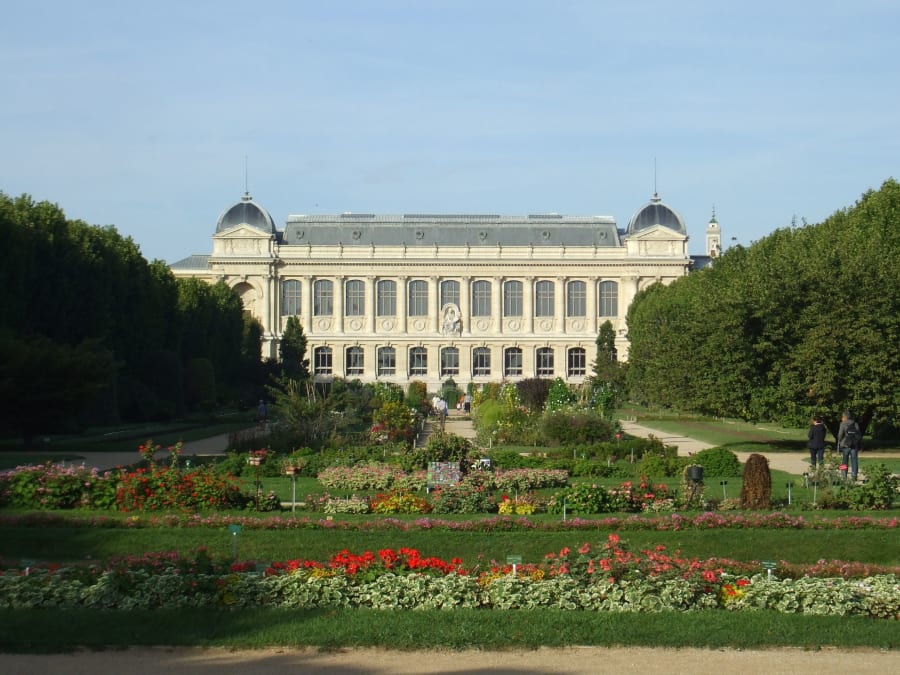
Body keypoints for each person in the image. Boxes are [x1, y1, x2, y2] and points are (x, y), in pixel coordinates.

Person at [837, 410, 861, 481]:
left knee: (844, 460)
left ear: (845, 417)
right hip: (854, 445)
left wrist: (840, 440)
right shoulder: (855, 423)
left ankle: (844, 476)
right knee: (854, 460)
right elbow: (858, 434)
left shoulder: (843, 424)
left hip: (845, 445)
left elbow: (840, 434)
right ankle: (854, 476)